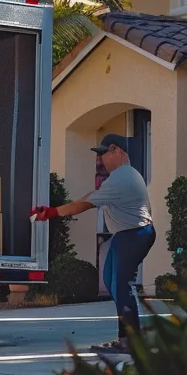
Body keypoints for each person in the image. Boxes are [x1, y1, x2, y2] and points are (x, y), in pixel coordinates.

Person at [30, 133, 154, 354]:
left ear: (117, 151)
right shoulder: (122, 176)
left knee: (120, 285)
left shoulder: (122, 176)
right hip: (129, 234)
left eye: (103, 153)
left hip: (133, 234)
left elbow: (85, 204)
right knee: (112, 281)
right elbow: (92, 195)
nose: (99, 160)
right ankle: (127, 338)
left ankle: (130, 342)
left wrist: (51, 213)